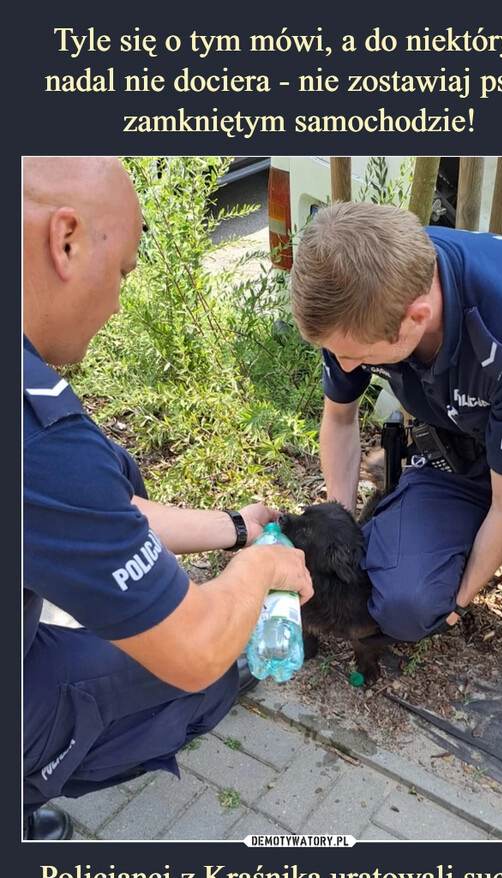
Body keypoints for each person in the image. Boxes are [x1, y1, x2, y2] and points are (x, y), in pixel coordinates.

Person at [23, 157, 313, 840]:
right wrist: (264, 569)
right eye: (122, 271)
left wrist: (237, 528)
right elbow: (194, 647)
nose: (120, 302)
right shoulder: (39, 436)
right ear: (65, 240)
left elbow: (82, 515)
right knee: (207, 670)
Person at [290, 200, 502, 734]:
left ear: (416, 318)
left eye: (356, 356)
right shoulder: (358, 288)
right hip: (448, 450)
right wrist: (339, 520)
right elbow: (341, 418)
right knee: (400, 606)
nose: (346, 366)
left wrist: (460, 601)